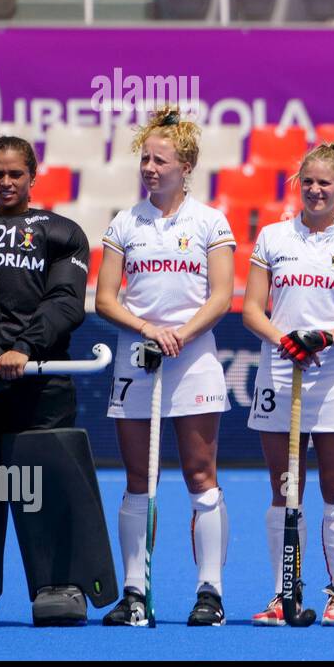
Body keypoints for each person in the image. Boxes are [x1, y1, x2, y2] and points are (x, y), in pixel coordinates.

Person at [0, 135, 116, 627]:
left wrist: (25, 348)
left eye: (16, 173)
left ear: (33, 176)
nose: (7, 182)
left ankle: (60, 585)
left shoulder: (62, 232)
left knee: (44, 479)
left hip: (40, 378)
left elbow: (64, 301)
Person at [94, 109, 235, 627]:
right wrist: (148, 330)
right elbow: (106, 299)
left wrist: (180, 334)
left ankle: (210, 593)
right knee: (138, 479)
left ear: (187, 164)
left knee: (201, 476)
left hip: (192, 359)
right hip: (139, 357)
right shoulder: (125, 222)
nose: (150, 168)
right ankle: (134, 592)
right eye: (145, 159)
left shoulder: (210, 221)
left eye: (161, 160)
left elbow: (221, 296)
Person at [242, 143, 334, 627]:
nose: (316, 190)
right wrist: (285, 339)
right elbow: (251, 309)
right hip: (280, 374)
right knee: (284, 488)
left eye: (326, 183)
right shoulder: (273, 237)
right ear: (298, 185)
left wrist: (326, 337)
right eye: (309, 182)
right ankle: (284, 591)